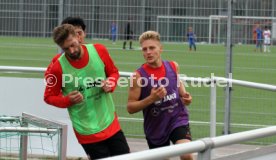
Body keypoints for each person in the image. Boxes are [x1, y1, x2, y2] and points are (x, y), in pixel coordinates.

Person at [44, 24, 130, 159]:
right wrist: (67, 100)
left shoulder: (99, 50)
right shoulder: (57, 68)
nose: (71, 51)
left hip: (110, 123)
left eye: (73, 45)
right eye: (66, 49)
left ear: (78, 37)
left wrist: (111, 83)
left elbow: (113, 72)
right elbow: (49, 96)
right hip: (86, 131)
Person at [127, 31, 193, 160]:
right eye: (144, 49)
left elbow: (179, 87)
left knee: (187, 154)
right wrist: (152, 98)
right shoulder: (137, 76)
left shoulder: (173, 66)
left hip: (177, 119)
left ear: (160, 49)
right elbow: (130, 107)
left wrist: (186, 97)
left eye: (152, 48)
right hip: (156, 126)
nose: (148, 52)